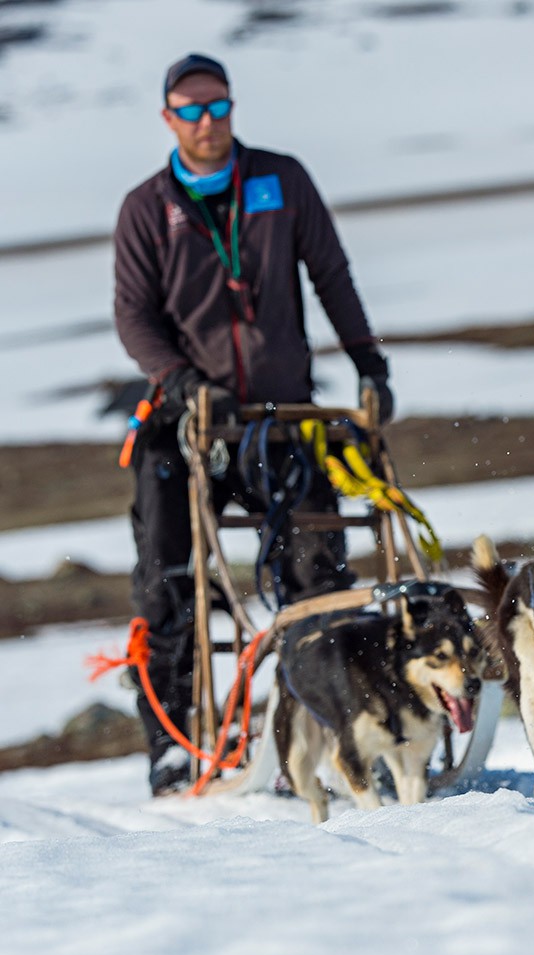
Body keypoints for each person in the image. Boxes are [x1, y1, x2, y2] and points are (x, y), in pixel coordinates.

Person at [113, 53, 395, 796]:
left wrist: (368, 363)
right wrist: (180, 384)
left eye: (219, 107)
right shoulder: (147, 208)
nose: (208, 123)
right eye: (191, 110)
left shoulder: (281, 179)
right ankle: (173, 746)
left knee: (317, 578)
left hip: (284, 423)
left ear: (232, 109)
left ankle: (324, 730)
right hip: (191, 427)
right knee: (168, 582)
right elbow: (133, 315)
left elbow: (330, 272)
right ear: (169, 118)